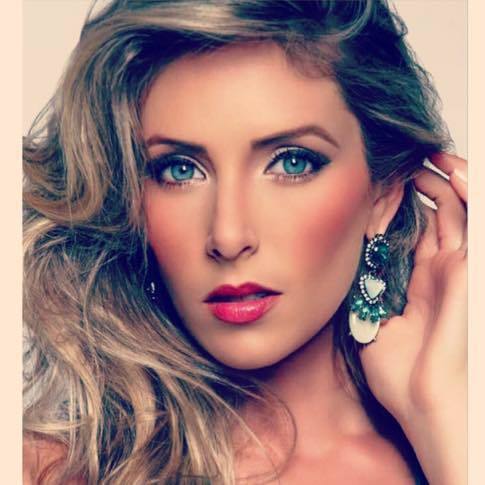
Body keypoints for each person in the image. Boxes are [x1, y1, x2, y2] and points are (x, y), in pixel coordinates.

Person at [23, 1, 467, 483]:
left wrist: (442, 411)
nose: (229, 237)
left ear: (382, 195)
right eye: (179, 170)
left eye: (292, 162)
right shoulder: (46, 470)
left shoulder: (450, 435)